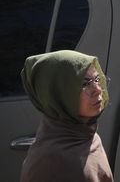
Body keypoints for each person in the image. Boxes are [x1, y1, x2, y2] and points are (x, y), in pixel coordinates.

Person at [19, 50, 113, 182]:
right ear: (58, 94)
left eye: (97, 79)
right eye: (85, 84)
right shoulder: (49, 161)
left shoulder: (87, 136)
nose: (97, 89)